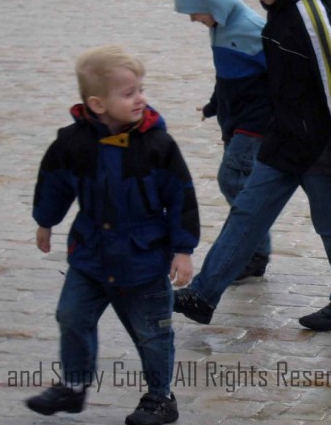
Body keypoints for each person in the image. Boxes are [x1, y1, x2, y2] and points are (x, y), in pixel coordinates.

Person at [174, 0, 331, 332]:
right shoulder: (283, 8)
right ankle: (203, 295)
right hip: (285, 137)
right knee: (248, 214)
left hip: (316, 145)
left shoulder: (308, 12)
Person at [26, 45, 200, 425]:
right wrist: (45, 221)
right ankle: (73, 386)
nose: (140, 99)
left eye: (141, 89)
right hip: (90, 256)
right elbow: (54, 182)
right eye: (128, 93)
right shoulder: (72, 143)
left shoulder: (158, 146)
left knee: (153, 334)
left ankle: (159, 398)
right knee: (71, 316)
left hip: (144, 260)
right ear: (97, 104)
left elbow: (181, 198)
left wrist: (182, 250)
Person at [173, 0, 273, 281]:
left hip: (255, 125)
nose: (192, 19)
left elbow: (281, 76)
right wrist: (214, 105)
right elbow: (227, 77)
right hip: (235, 121)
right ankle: (254, 253)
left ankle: (253, 254)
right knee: (243, 187)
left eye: (196, 11)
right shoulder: (219, 30)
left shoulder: (252, 29)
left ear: (214, 4)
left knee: (233, 181)